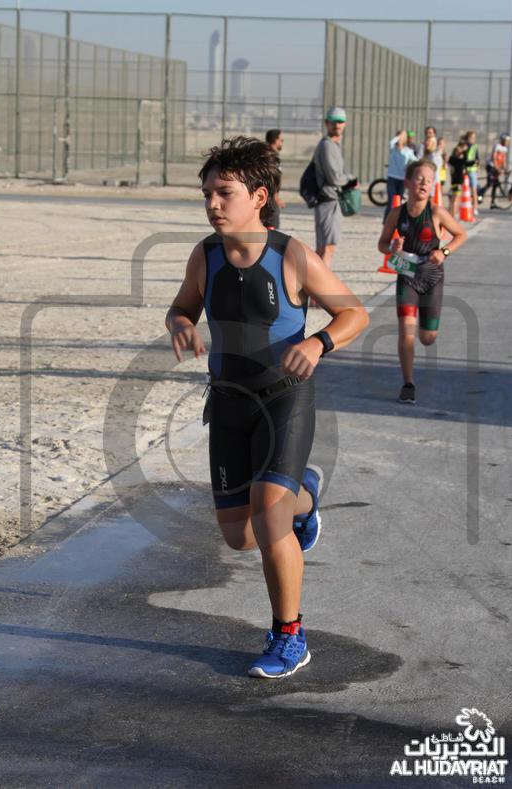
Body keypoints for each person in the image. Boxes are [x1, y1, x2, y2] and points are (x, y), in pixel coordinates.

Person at [166, 136, 369, 679]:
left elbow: (354, 314)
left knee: (270, 514)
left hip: (285, 398)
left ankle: (289, 636)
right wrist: (180, 323)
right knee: (239, 536)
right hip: (228, 404)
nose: (212, 204)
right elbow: (181, 306)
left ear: (259, 197)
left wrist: (318, 343)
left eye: (224, 193)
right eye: (207, 193)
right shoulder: (205, 255)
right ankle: (307, 496)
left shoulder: (291, 255)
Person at [378, 159, 467, 404]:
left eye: (429, 180)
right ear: (408, 182)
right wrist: (392, 247)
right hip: (407, 275)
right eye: (419, 178)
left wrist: (444, 252)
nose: (424, 183)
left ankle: (425, 327)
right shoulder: (397, 213)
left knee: (428, 337)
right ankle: (408, 384)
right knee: (406, 331)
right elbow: (382, 244)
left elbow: (461, 234)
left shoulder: (436, 212)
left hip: (432, 277)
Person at [312, 106, 358, 270]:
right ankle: (321, 283)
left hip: (329, 200)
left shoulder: (333, 145)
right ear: (327, 123)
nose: (337, 125)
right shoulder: (327, 146)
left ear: (345, 124)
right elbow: (335, 178)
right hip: (328, 200)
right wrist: (351, 180)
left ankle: (314, 284)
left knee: (323, 248)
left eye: (340, 122)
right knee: (328, 248)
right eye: (334, 122)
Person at [384, 129, 417, 221]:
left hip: (402, 179)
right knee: (391, 201)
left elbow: (416, 160)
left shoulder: (408, 151)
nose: (399, 138)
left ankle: (396, 221)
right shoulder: (393, 148)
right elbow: (391, 142)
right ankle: (386, 221)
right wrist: (399, 136)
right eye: (398, 136)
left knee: (399, 201)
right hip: (392, 178)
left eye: (402, 136)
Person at [478, 133, 510, 209]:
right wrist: (496, 167)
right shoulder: (497, 146)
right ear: (503, 140)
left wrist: (505, 169)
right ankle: (479, 195)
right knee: (490, 183)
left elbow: (503, 160)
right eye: (507, 141)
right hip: (491, 166)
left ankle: (492, 203)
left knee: (495, 184)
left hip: (497, 167)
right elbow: (494, 157)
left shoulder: (505, 149)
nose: (508, 142)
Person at [265, 129, 285, 229]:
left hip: (270, 197)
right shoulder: (270, 157)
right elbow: (270, 177)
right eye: (281, 140)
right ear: (275, 140)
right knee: (272, 227)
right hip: (270, 199)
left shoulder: (269, 154)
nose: (282, 142)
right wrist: (275, 196)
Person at [448, 139, 469, 217]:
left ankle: (452, 214)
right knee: (455, 199)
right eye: (458, 151)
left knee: (455, 199)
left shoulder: (453, 160)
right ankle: (452, 215)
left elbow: (465, 161)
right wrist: (464, 151)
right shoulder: (455, 160)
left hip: (456, 182)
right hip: (457, 182)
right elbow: (464, 160)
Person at [464, 130, 480, 215]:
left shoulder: (475, 146)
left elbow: (477, 158)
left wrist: (477, 168)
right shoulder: (464, 146)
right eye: (471, 138)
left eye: (474, 138)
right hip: (465, 170)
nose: (473, 139)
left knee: (474, 189)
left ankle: (475, 207)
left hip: (472, 170)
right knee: (465, 189)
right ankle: (465, 206)